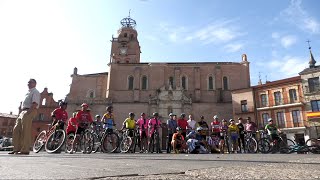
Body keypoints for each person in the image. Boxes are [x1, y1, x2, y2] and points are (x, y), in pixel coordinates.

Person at [9, 78, 40, 155]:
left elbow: (35, 103)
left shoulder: (35, 92)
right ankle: (16, 148)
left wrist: (28, 112)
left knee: (25, 130)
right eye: (28, 82)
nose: (28, 84)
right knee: (16, 129)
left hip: (29, 110)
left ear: (35, 84)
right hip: (23, 111)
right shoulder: (27, 92)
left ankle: (25, 149)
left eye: (30, 82)